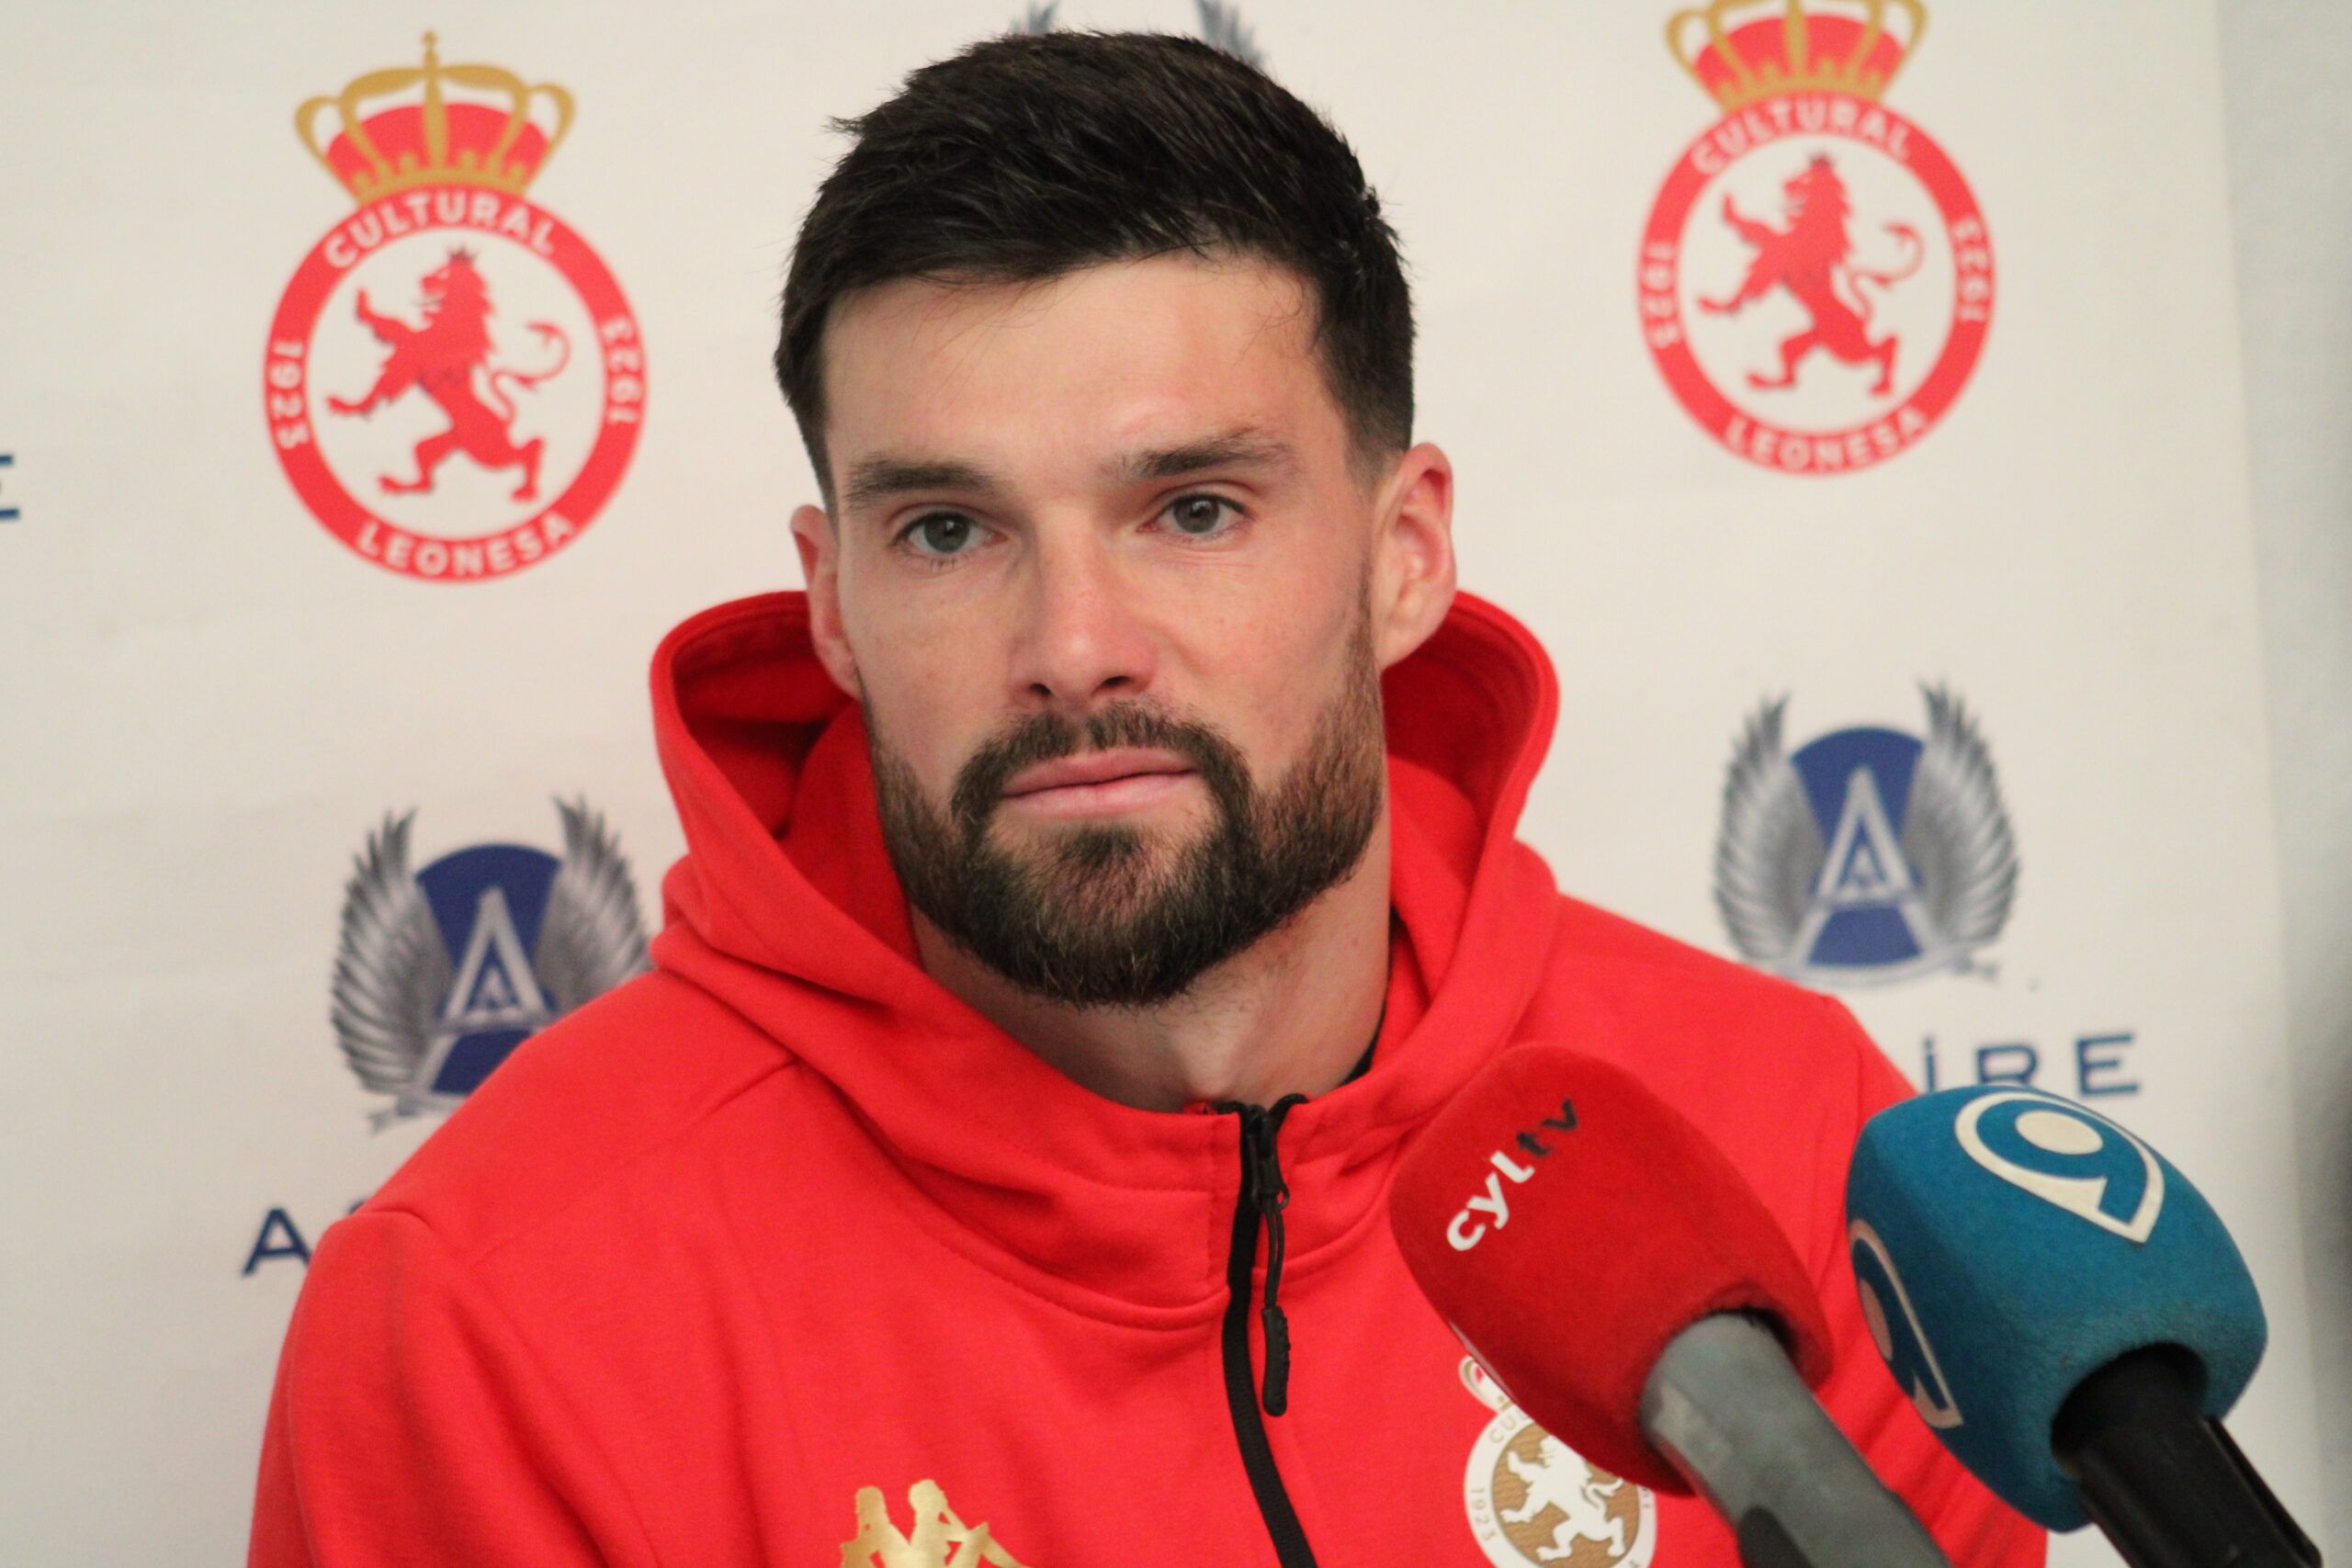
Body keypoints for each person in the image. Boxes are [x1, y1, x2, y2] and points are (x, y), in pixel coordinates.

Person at [250, 30, 2042, 1567]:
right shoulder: (493, 1305)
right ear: (831, 606)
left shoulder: (1781, 1136)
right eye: (946, 530)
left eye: (1190, 506)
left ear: (1401, 552)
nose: (1072, 645)